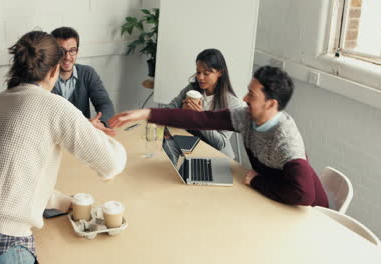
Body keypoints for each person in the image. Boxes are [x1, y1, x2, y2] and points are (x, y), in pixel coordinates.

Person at [0, 31, 126, 263]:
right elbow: (111, 164)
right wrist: (100, 134)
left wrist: (64, 202)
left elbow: (6, 175)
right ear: (53, 70)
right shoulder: (55, 106)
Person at [110, 66, 328, 207]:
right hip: (275, 200)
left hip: (308, 214)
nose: (244, 98)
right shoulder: (247, 117)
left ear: (271, 104)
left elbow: (303, 195)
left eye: (251, 95)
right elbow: (200, 120)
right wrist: (147, 113)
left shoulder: (285, 140)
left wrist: (258, 182)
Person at [166, 49, 242, 158]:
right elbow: (169, 109)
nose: (200, 78)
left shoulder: (232, 104)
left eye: (206, 73)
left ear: (220, 72)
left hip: (216, 155)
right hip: (190, 147)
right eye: (198, 72)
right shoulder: (192, 89)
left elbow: (220, 143)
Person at [51, 26, 115, 126]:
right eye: (61, 51)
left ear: (77, 51)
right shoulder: (44, 78)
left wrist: (101, 123)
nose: (67, 57)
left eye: (72, 50)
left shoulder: (87, 73)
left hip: (84, 135)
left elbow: (105, 104)